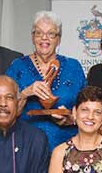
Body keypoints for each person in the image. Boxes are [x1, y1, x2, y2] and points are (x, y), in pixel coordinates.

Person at [7, 10, 86, 151]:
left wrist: (69, 119)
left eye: (51, 34)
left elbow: (86, 108)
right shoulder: (17, 66)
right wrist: (25, 92)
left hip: (67, 148)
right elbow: (5, 110)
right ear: (32, 37)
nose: (44, 38)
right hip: (26, 147)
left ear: (58, 39)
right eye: (39, 33)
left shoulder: (74, 67)